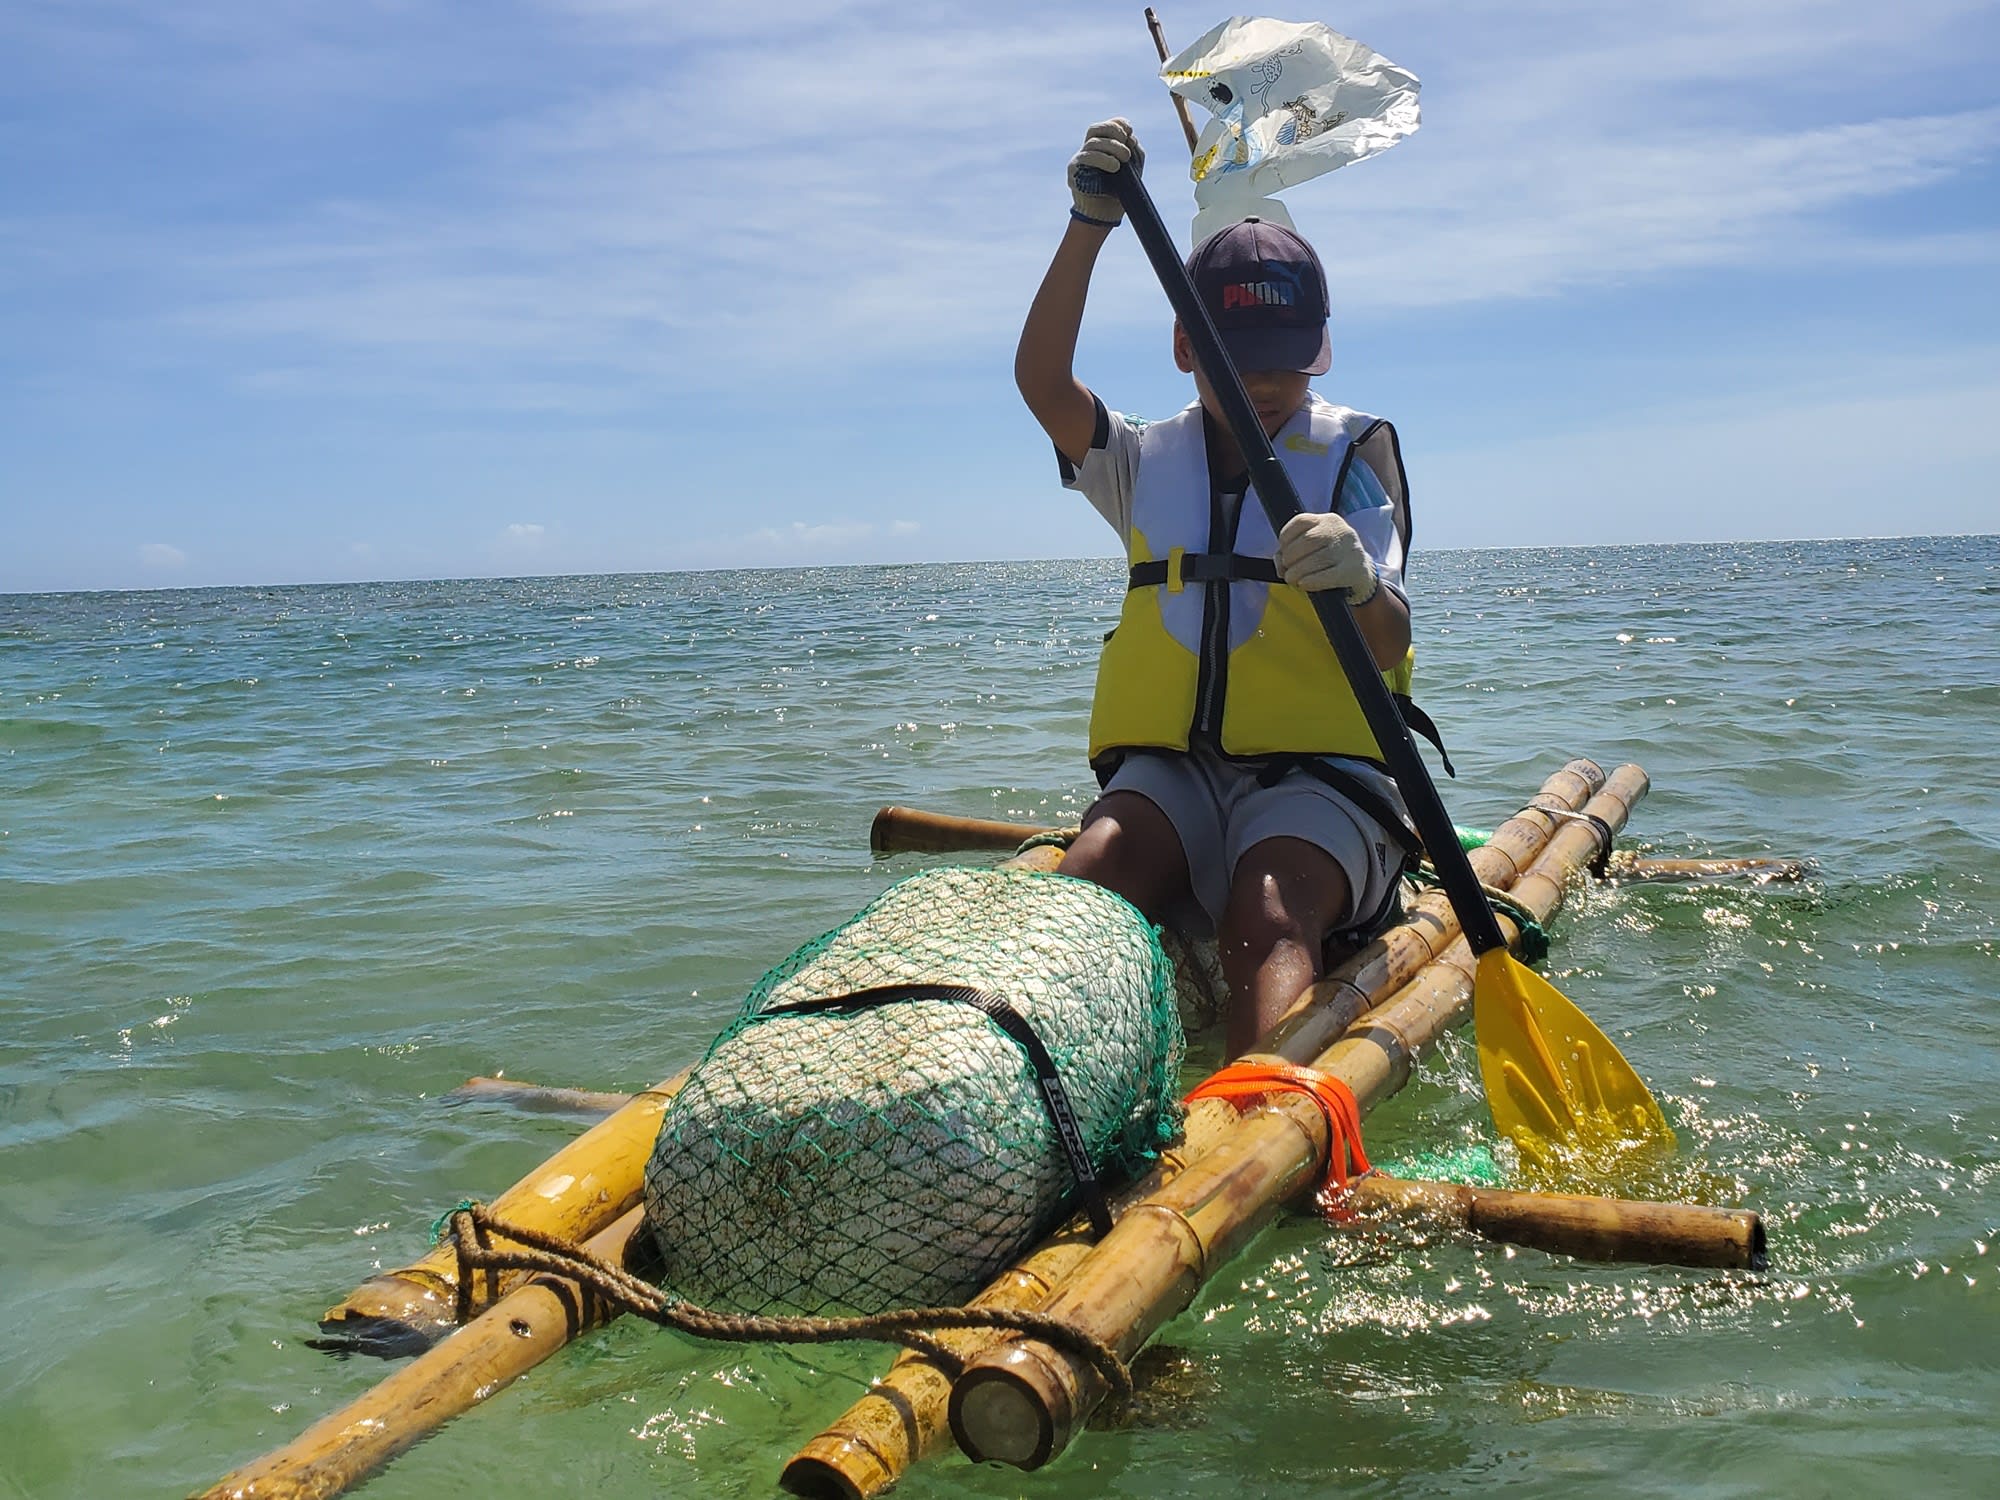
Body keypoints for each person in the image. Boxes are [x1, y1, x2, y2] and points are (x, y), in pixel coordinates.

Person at [1017, 117, 1422, 1057]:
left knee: (1266, 913)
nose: (1265, 382)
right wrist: (1090, 223)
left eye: (1284, 355)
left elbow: (1391, 643)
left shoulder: (1355, 456)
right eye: (1238, 355)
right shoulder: (1138, 461)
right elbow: (1042, 379)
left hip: (1323, 777)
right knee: (1090, 884)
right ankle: (1051, 1108)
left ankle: (1254, 1133)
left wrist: (1359, 581)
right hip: (1174, 770)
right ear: (1186, 349)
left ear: (1318, 348)